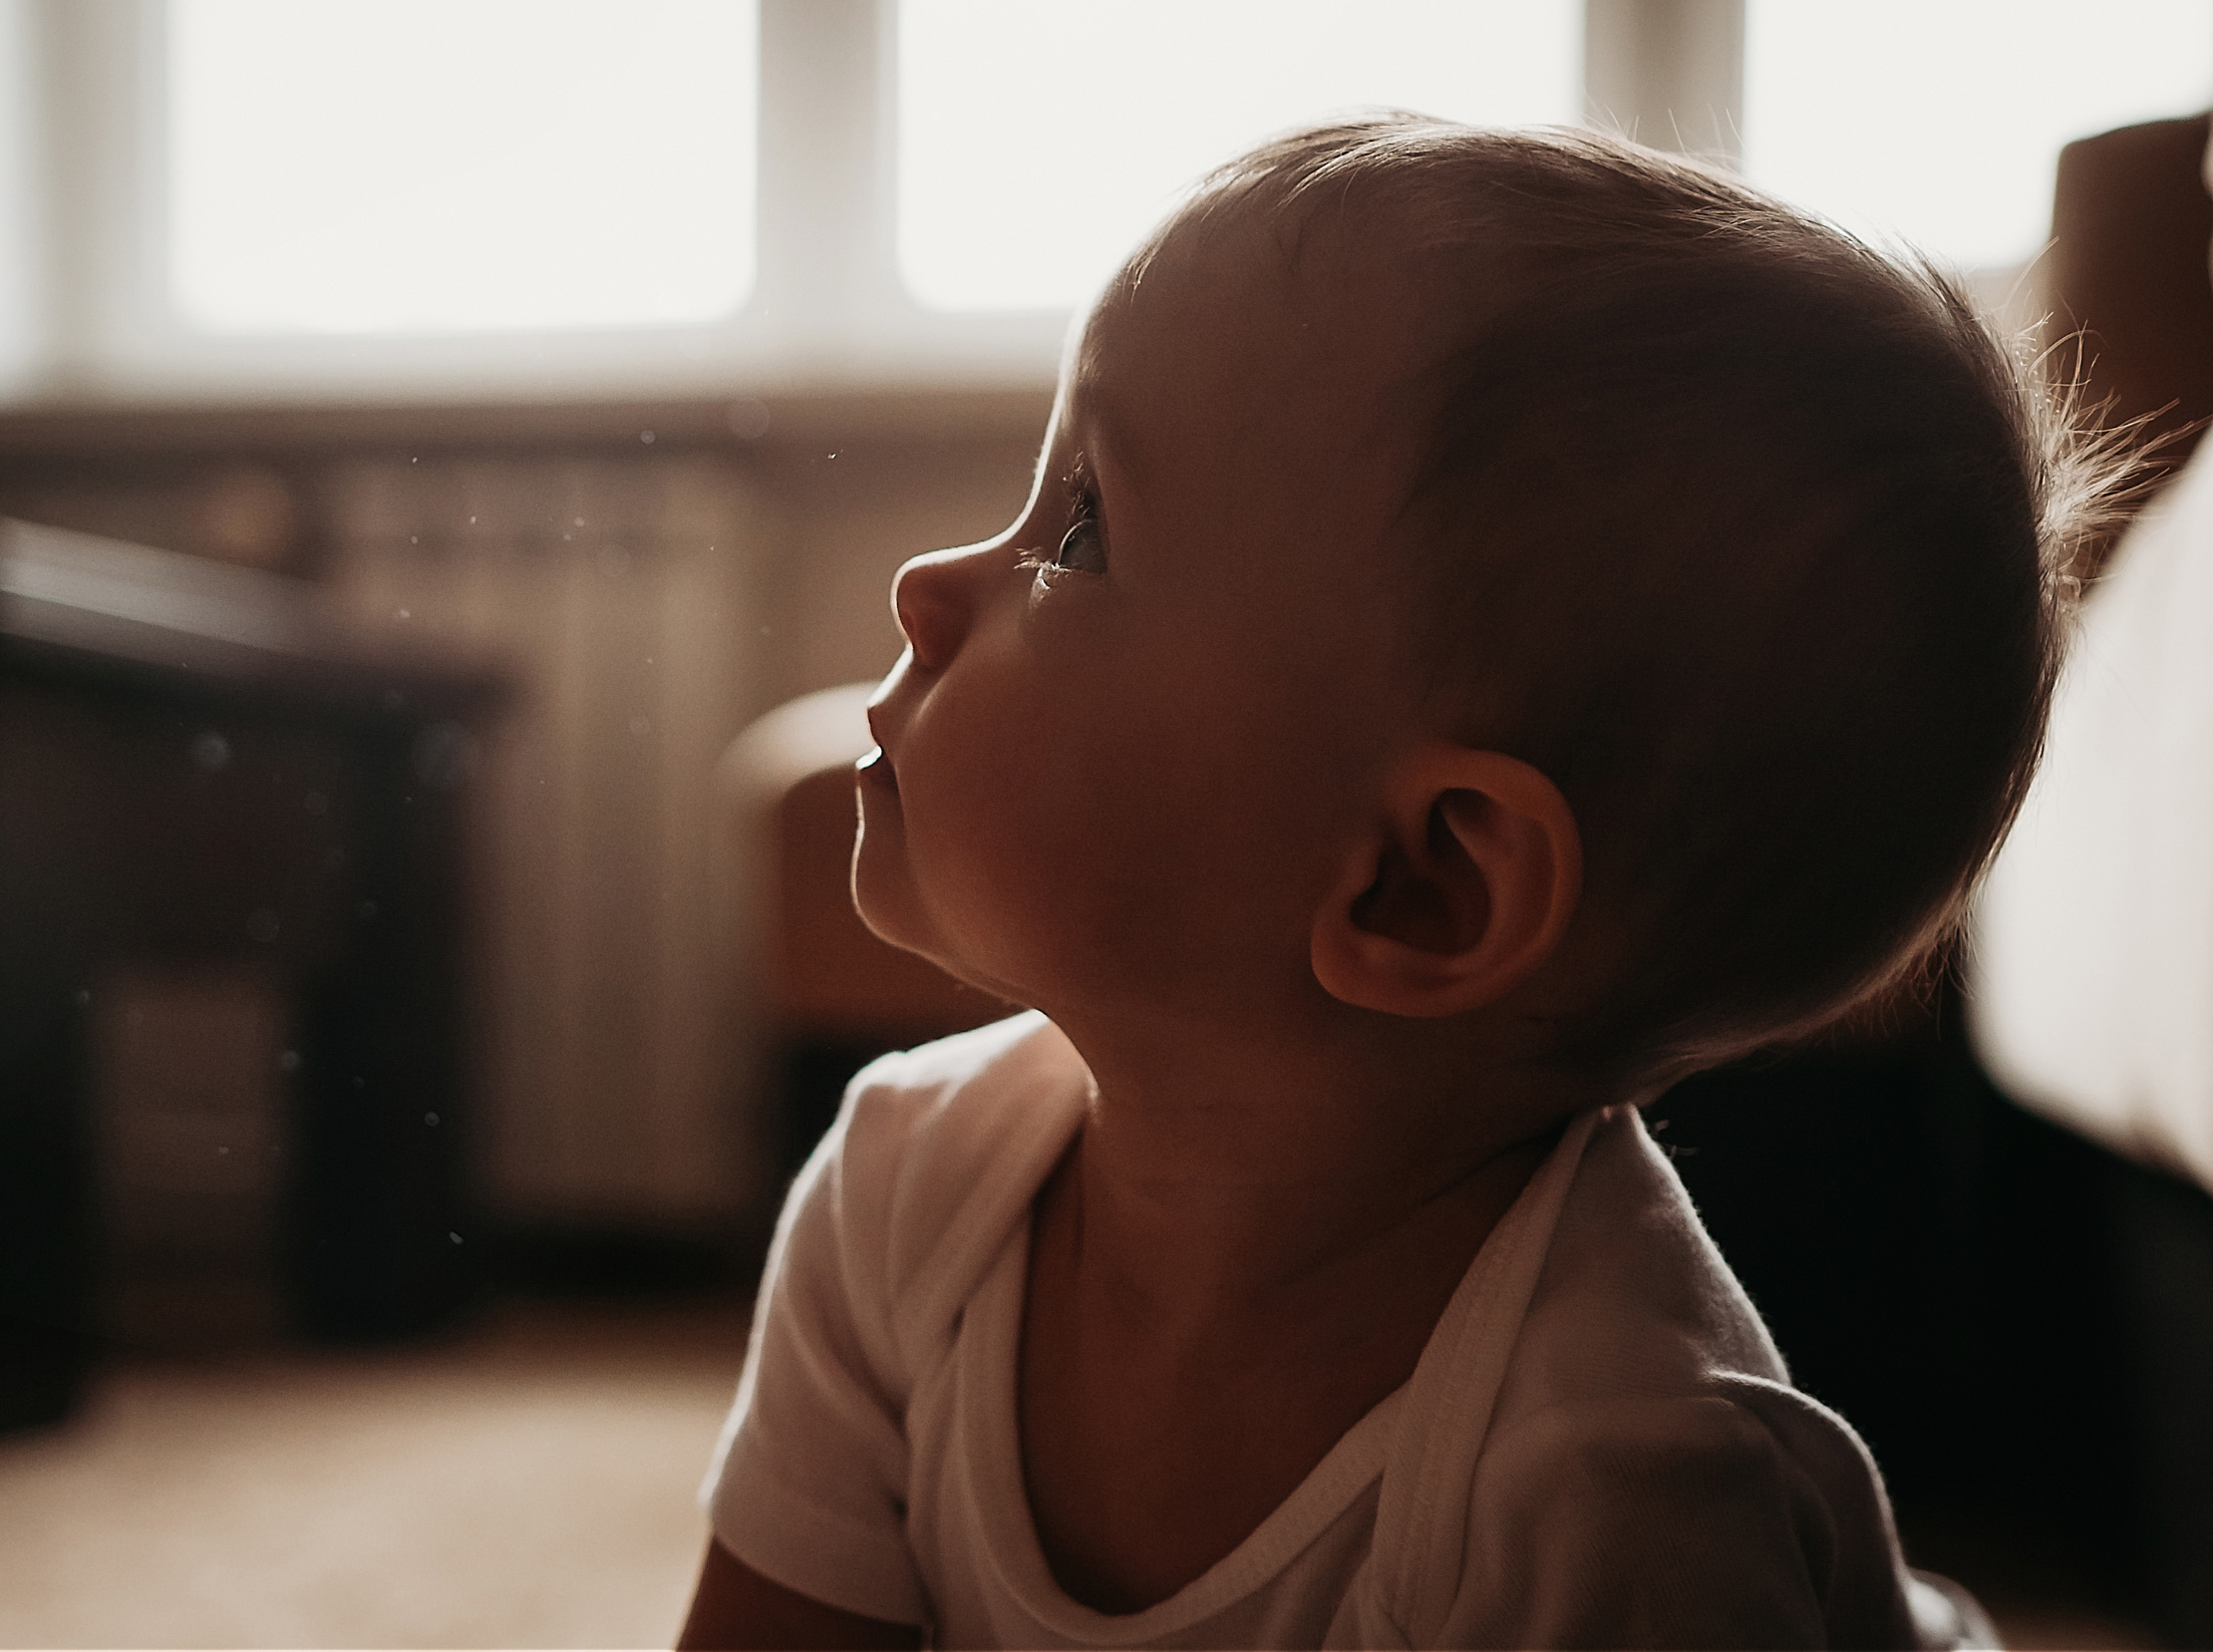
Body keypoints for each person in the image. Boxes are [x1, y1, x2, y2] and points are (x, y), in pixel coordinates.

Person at [679, 115, 2125, 1650]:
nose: (924, 583)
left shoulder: (1613, 1495)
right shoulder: (909, 1198)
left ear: (1421, 888)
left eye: (1082, 530)